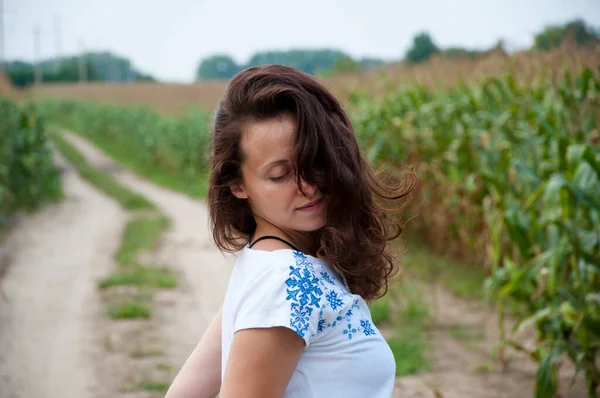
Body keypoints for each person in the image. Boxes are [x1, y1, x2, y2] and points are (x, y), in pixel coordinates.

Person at [164, 64, 416, 398]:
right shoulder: (285, 283)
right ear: (237, 183)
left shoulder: (265, 265)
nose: (308, 186)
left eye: (315, 163)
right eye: (280, 175)